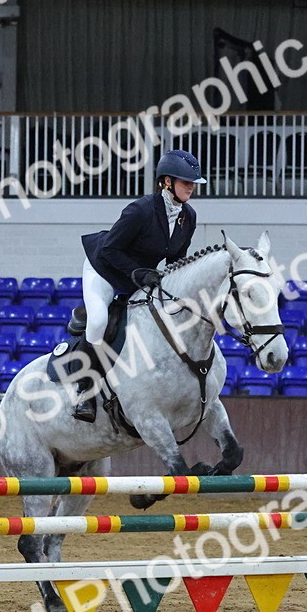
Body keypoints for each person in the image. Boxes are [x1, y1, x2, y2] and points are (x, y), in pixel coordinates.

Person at [72, 149, 207, 421]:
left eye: (193, 183)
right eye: (185, 182)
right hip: (104, 269)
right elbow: (110, 249)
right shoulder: (140, 210)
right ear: (167, 182)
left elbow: (176, 261)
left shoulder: (187, 217)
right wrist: (140, 273)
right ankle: (83, 392)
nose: (191, 187)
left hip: (138, 276)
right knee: (98, 321)